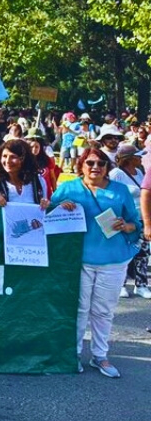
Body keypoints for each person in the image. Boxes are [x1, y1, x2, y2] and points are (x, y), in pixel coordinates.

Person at [51, 147, 141, 378]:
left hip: (113, 259)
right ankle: (74, 354)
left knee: (103, 311)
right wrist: (59, 208)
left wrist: (126, 225)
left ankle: (100, 355)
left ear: (107, 167)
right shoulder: (67, 188)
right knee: (79, 310)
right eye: (90, 162)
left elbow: (135, 223)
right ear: (81, 165)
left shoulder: (120, 191)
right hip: (78, 260)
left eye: (101, 163)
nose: (95, 167)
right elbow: (47, 215)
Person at [109, 144, 149, 299]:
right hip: (124, 221)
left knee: (143, 253)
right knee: (124, 253)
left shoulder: (139, 172)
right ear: (129, 159)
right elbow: (110, 195)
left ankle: (141, 285)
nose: (140, 158)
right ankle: (121, 285)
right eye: (138, 155)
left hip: (141, 219)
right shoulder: (116, 174)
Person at [0, 140, 49, 209]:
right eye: (4, 156)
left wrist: (45, 204)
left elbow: (45, 212)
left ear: (24, 159)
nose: (7, 161)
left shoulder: (38, 183)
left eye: (13, 157)